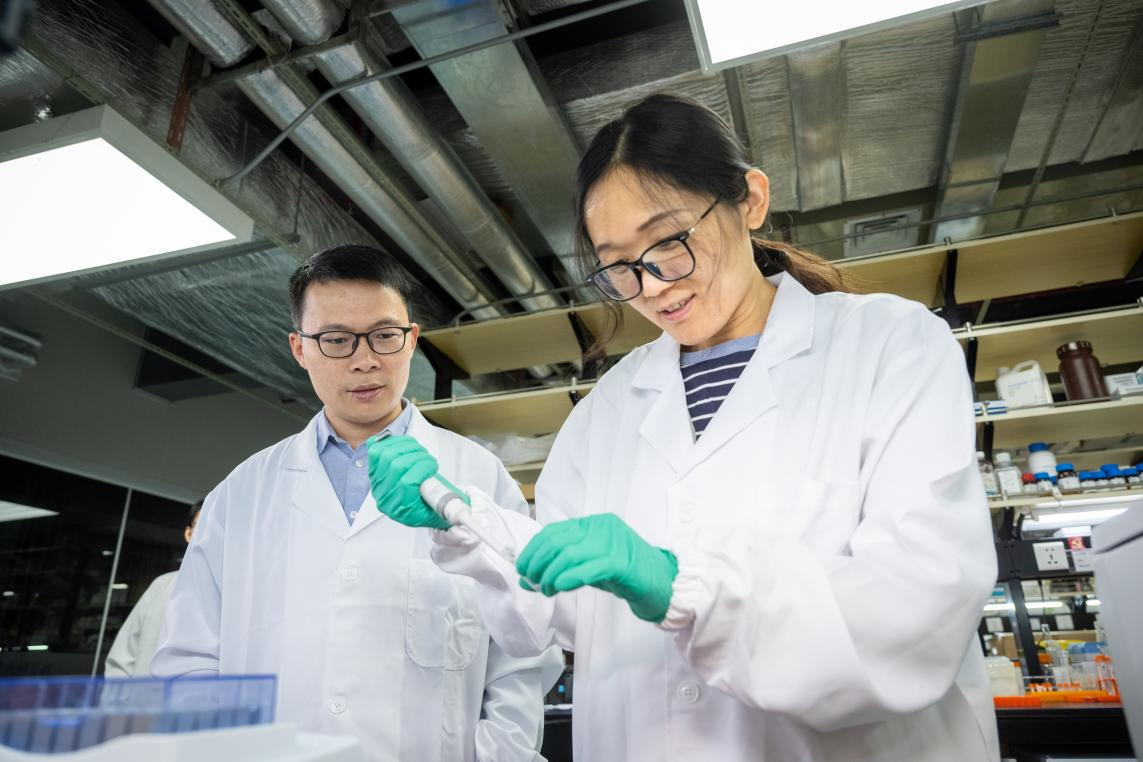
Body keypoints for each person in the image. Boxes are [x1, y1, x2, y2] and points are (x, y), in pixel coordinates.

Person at [368, 94, 1000, 761]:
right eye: (618, 266)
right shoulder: (608, 408)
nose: (651, 285)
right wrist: (462, 521)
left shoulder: (890, 346)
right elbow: (561, 606)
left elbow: (919, 604)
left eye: (669, 242)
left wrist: (686, 589)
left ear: (749, 200)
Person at [152, 246, 563, 761]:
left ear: (412, 339)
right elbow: (189, 660)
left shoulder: (480, 478)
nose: (364, 359)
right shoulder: (240, 495)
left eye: (384, 335)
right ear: (299, 348)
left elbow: (523, 657)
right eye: (336, 340)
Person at [104, 500, 201, 677]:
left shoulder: (237, 594)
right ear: (188, 533)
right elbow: (122, 657)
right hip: (143, 693)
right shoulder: (161, 585)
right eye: (201, 524)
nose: (208, 534)